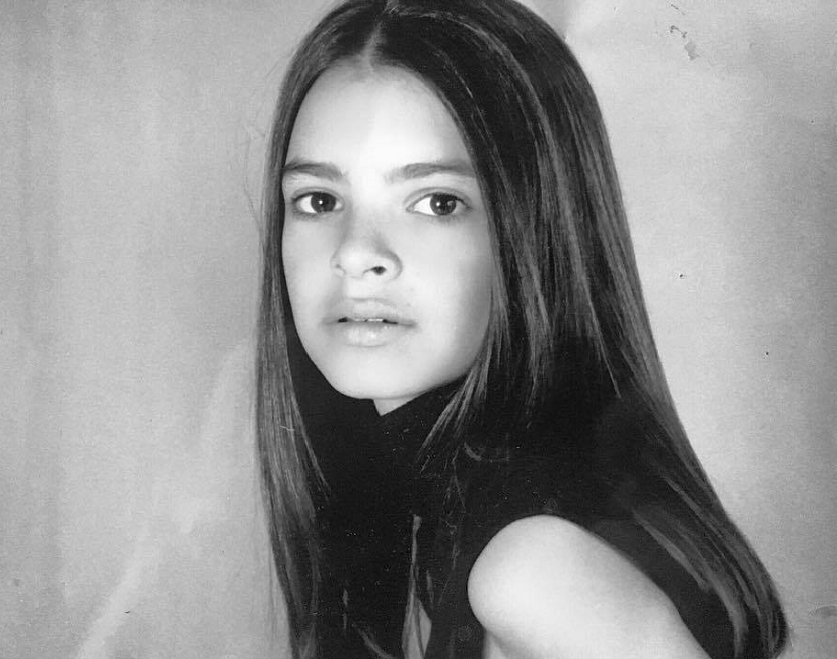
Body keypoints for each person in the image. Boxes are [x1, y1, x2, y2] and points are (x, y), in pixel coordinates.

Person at [254, 1, 788, 657]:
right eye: (319, 200)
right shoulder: (466, 519)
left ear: (535, 230)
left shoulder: (532, 566)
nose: (357, 253)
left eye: (437, 202)